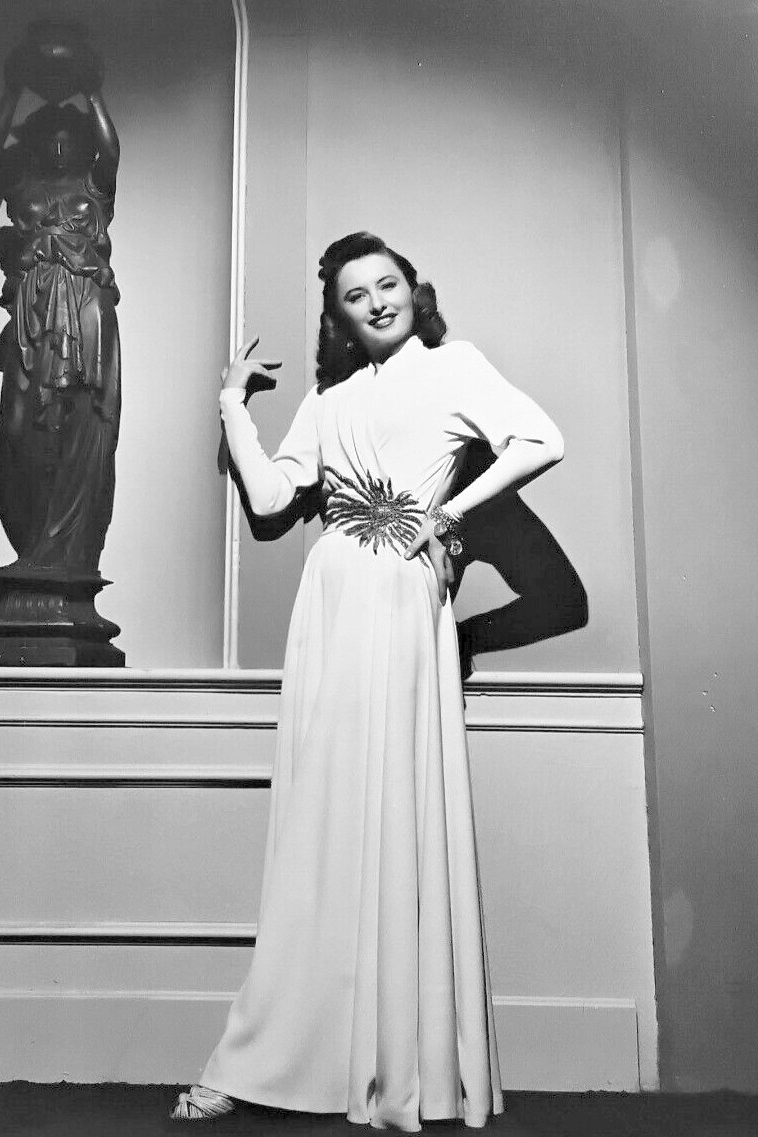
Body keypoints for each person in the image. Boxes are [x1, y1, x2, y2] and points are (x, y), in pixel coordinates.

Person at [172, 232, 565, 1131]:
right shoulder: (331, 398)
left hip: (401, 596)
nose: (378, 302)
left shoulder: (454, 367)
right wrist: (231, 403)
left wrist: (449, 515)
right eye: (357, 295)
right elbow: (273, 499)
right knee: (321, 820)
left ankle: (397, 1063)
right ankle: (282, 1053)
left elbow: (543, 439)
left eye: (388, 284)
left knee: (396, 811)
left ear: (413, 291)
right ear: (339, 316)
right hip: (331, 598)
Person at [0, 70, 121, 571]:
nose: (59, 149)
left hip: (85, 310)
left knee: (80, 421)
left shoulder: (94, 187)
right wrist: (13, 88)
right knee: (19, 426)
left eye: (68, 140)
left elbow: (111, 152)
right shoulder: (22, 183)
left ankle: (66, 552)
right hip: (31, 312)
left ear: (82, 145)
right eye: (49, 141)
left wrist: (91, 90)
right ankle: (29, 544)